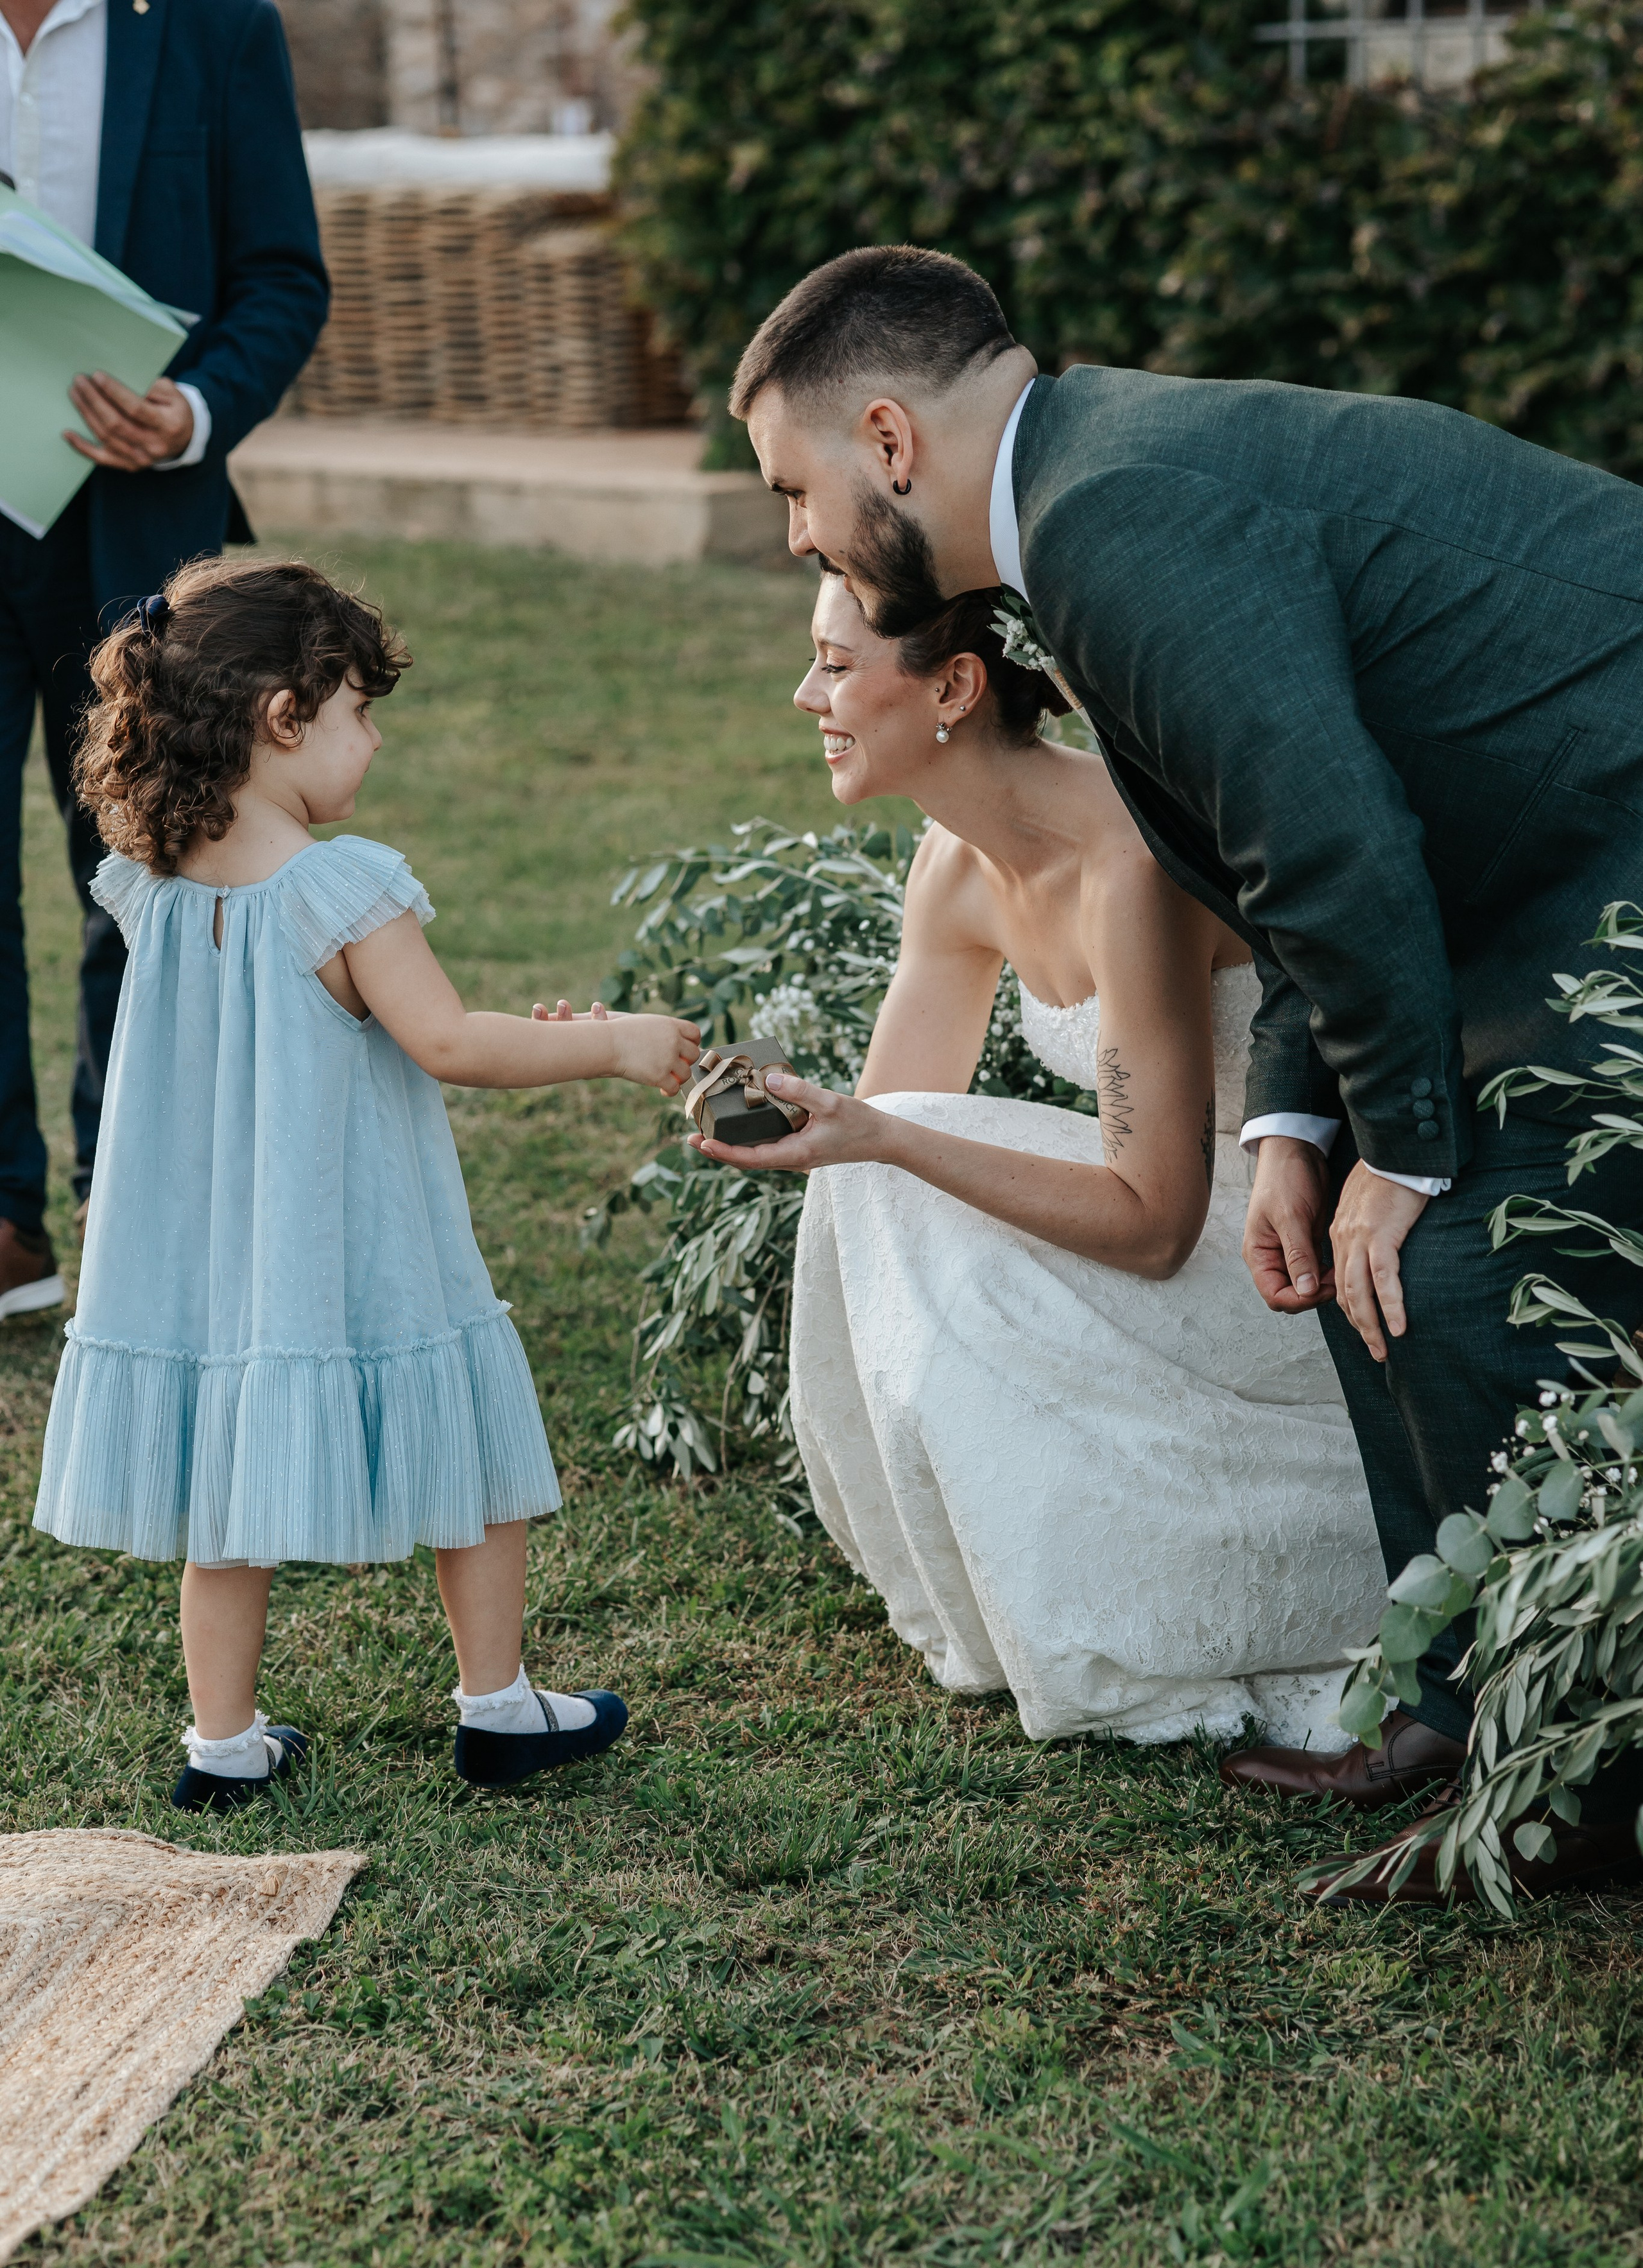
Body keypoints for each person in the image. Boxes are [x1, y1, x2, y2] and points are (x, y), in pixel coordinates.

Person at [725, 244, 1643, 1899]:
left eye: (795, 488)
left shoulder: (1111, 519)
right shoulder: (1082, 506)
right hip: (1520, 870)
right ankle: (1443, 1706)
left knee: (1447, 1259)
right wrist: (1291, 1125)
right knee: (1351, 1251)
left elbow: (1334, 848)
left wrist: (1399, 1149)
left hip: (1598, 838)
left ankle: (1566, 1781)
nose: (797, 532)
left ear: (886, 442)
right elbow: (1267, 853)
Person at [32, 557, 701, 1808]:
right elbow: (449, 1041)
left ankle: (224, 1749)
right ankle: (497, 1709)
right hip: (357, 1234)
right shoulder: (342, 891)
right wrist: (613, 1043)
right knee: (471, 1461)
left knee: (223, 1501)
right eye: (358, 712)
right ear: (284, 718)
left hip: (216, 1250)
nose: (375, 741)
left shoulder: (153, 886)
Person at [691, 572, 1384, 1747]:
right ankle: (1005, 1582)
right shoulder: (954, 863)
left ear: (955, 687)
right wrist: (776, 1109)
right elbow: (885, 1128)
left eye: (837, 665)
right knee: (878, 1183)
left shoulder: (1130, 864)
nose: (807, 695)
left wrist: (882, 1134)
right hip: (1194, 1223)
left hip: (1294, 1247)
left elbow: (1154, 1224)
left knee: (905, 1161)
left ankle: (1155, 1595)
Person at [0, 0, 327, 1310]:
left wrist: (193, 408)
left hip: (141, 528)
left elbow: (283, 275)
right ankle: (4, 1222)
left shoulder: (213, 24)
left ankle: (135, 1206)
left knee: (144, 865)